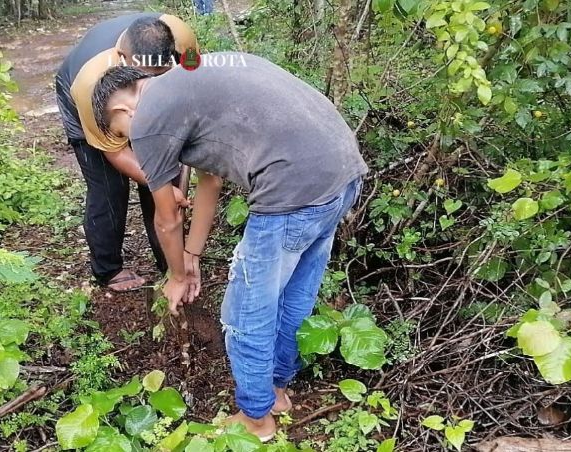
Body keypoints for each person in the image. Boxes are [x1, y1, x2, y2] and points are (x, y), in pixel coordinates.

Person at [91, 52, 368, 441]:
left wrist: (175, 276)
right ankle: (277, 393)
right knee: (292, 296)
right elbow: (211, 181)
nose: (130, 141)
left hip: (292, 186)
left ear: (122, 107)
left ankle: (256, 419)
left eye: (121, 131)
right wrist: (191, 257)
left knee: (245, 309)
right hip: (343, 173)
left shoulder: (150, 116)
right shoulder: (190, 82)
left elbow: (166, 218)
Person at [55, 14, 198, 292]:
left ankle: (168, 262)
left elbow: (194, 78)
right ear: (124, 59)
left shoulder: (180, 35)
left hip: (126, 99)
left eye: (158, 79)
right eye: (143, 80)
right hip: (84, 104)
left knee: (165, 180)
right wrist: (162, 186)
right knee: (109, 188)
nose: (150, 90)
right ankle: (108, 268)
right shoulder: (88, 83)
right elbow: (116, 152)